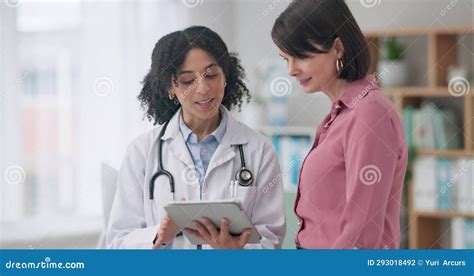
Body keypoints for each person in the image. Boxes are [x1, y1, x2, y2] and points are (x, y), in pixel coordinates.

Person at [106, 26, 286, 249]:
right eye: (188, 80)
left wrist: (235, 254)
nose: (203, 88)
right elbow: (118, 241)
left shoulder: (259, 150)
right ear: (171, 87)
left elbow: (271, 239)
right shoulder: (142, 152)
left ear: (226, 77)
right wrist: (160, 234)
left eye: (211, 75)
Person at [271, 0, 408, 249]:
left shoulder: (369, 114)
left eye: (300, 56)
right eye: (286, 59)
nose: (291, 70)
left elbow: (362, 231)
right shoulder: (339, 115)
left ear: (338, 48)